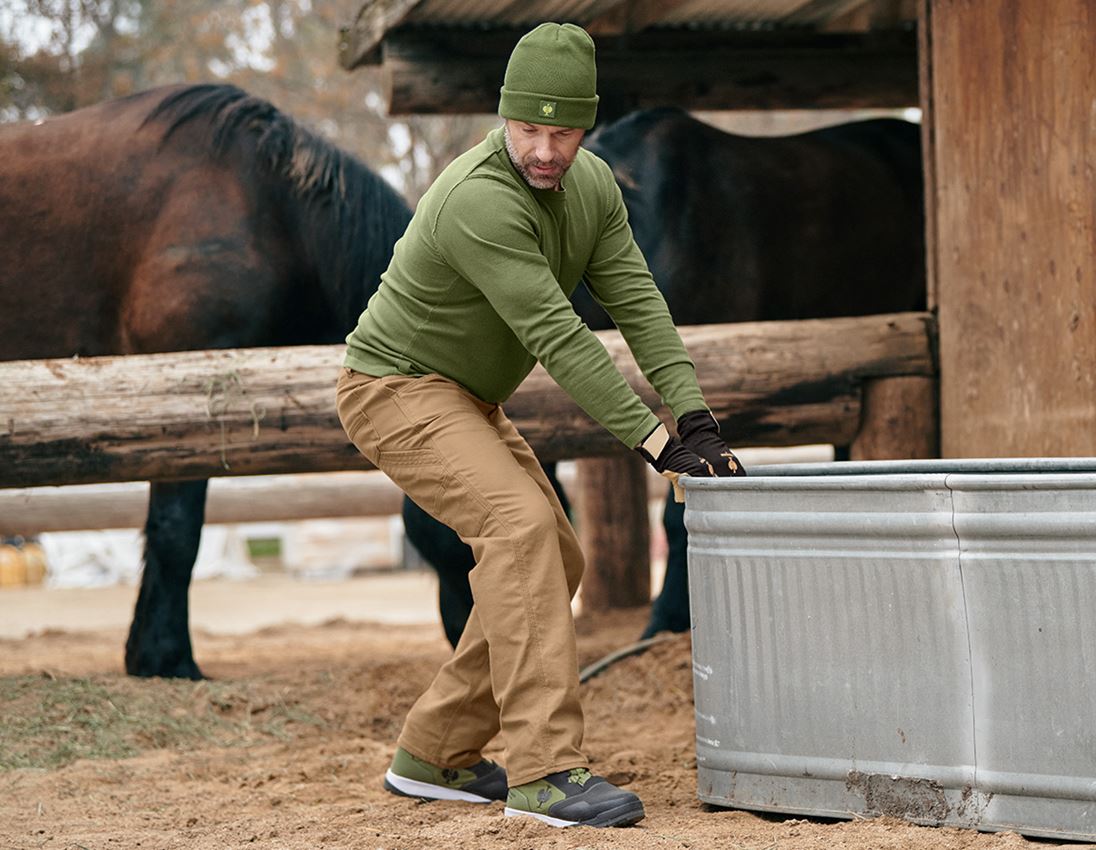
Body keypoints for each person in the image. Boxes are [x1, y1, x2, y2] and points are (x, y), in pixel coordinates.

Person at [335, 21, 745, 829]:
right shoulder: (478, 198)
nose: (545, 150)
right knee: (521, 532)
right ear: (504, 116)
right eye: (528, 129)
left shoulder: (592, 190)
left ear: (586, 127)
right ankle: (546, 772)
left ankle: (436, 752)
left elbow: (638, 303)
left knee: (556, 557)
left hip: (466, 396)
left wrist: (696, 418)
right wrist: (657, 445)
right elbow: (559, 335)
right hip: (394, 387)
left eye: (563, 133)